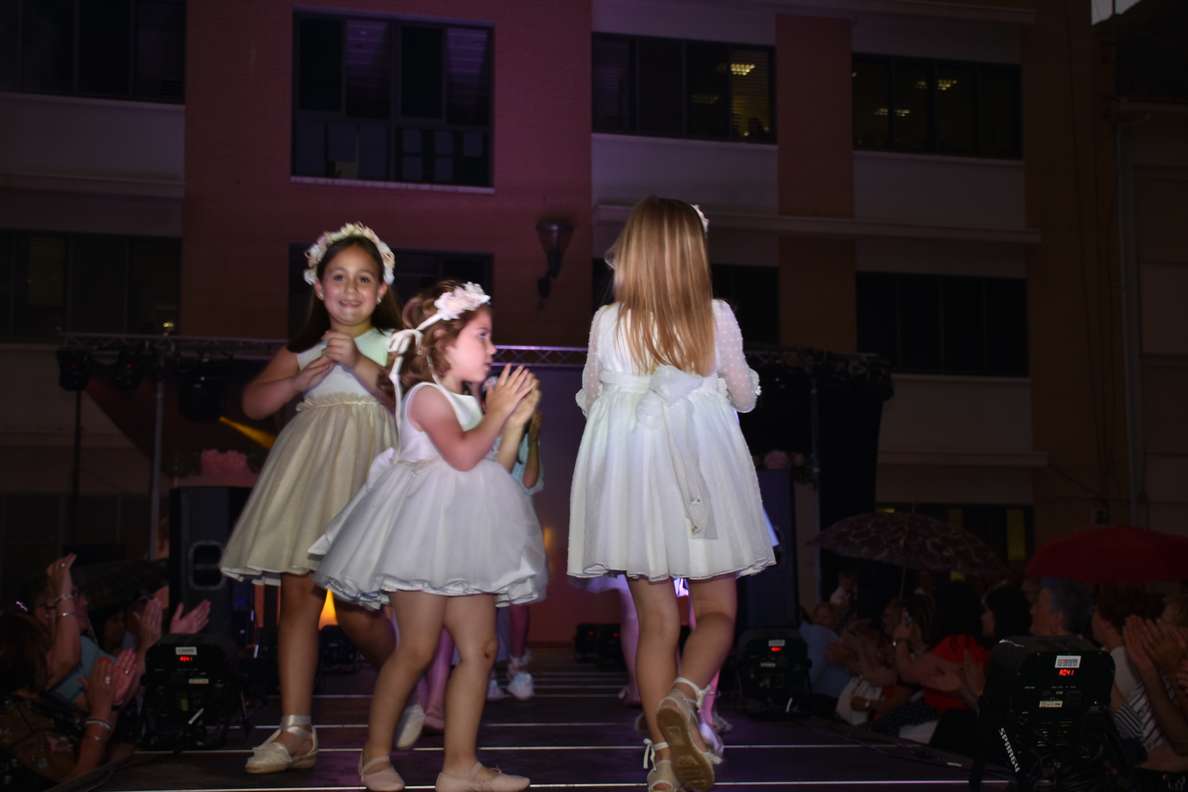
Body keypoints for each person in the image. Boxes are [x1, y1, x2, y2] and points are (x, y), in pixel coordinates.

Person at [568, 197, 776, 792]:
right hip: (701, 476)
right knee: (717, 613)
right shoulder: (715, 316)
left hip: (635, 482)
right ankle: (683, 699)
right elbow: (744, 397)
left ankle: (663, 759)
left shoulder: (608, 322)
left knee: (656, 623)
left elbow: (589, 399)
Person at [311, 281, 546, 792]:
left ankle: (460, 765)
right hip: (422, 539)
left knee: (482, 648)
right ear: (443, 342)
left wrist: (512, 427)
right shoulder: (425, 397)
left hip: (466, 541)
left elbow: (493, 471)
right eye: (481, 336)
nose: (492, 348)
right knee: (416, 648)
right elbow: (460, 454)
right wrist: (497, 413)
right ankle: (374, 755)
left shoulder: (471, 401)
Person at [219, 222, 406, 774]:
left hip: (368, 474)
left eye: (364, 279)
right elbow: (254, 403)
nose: (351, 289)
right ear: (319, 287)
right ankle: (296, 728)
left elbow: (409, 399)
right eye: (339, 277)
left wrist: (358, 363)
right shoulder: (302, 348)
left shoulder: (395, 343)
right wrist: (297, 383)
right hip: (309, 473)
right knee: (297, 596)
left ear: (381, 289)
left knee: (356, 611)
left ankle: (407, 678)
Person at [0, 610, 137, 789]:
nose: (56, 653)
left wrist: (112, 703)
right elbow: (76, 779)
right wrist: (100, 713)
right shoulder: (15, 720)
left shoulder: (39, 698)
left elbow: (96, 745)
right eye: (48, 647)